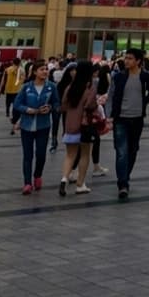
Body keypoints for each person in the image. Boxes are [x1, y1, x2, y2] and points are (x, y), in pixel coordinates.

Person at [108, 47, 149, 200]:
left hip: (137, 119)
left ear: (138, 61)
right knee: (121, 151)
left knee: (133, 150)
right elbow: (111, 96)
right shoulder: (119, 76)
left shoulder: (145, 76)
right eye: (125, 58)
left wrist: (143, 103)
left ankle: (125, 176)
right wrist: (110, 115)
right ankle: (123, 184)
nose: (126, 61)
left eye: (130, 58)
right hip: (120, 118)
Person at [13, 60, 59, 194]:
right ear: (34, 72)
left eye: (46, 69)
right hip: (27, 125)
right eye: (42, 69)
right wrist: (27, 110)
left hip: (43, 125)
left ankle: (37, 175)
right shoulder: (27, 87)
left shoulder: (51, 87)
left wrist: (50, 107)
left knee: (41, 154)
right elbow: (17, 104)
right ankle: (27, 183)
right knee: (28, 155)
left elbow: (57, 103)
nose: (45, 71)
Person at [59, 59, 98, 197]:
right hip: (84, 126)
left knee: (70, 155)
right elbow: (91, 106)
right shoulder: (90, 88)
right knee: (85, 155)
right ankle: (80, 184)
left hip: (70, 125)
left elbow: (63, 106)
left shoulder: (70, 88)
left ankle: (64, 179)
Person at [0, 57, 24, 133]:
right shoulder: (22, 70)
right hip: (18, 91)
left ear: (13, 62)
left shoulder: (7, 70)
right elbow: (23, 81)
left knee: (8, 102)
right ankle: (14, 121)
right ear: (19, 63)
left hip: (8, 90)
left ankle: (8, 112)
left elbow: (2, 81)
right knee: (16, 107)